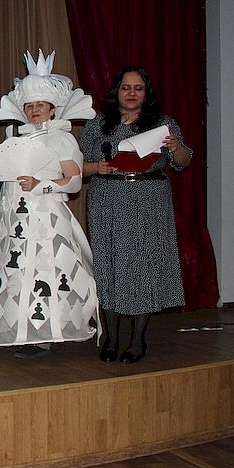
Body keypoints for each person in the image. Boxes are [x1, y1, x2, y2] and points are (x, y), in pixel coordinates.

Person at [0, 51, 99, 357]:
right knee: (17, 273)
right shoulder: (13, 138)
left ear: (52, 109)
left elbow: (73, 181)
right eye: (30, 106)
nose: (34, 110)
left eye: (40, 105)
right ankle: (20, 330)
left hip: (46, 218)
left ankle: (44, 333)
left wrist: (41, 185)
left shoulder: (62, 139)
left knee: (45, 272)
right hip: (14, 218)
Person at [79, 66, 191, 363]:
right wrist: (96, 167)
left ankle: (138, 340)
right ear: (116, 91)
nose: (131, 93)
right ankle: (111, 338)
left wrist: (176, 146)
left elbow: (182, 162)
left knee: (143, 265)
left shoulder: (163, 124)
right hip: (107, 199)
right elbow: (77, 164)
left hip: (148, 199)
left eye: (138, 88)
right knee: (109, 264)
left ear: (146, 92)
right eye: (126, 87)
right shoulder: (98, 123)